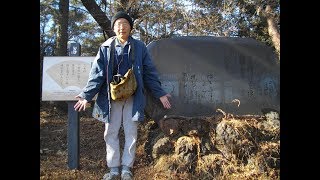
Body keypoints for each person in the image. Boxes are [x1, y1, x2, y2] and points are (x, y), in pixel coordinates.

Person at [73, 11, 171, 180]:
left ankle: (127, 167)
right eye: (118, 24)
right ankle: (113, 168)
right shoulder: (105, 47)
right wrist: (86, 95)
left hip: (133, 97)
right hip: (111, 98)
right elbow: (97, 74)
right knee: (110, 132)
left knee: (131, 132)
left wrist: (160, 93)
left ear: (130, 28)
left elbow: (149, 73)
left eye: (125, 24)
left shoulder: (140, 47)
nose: (121, 27)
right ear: (113, 28)